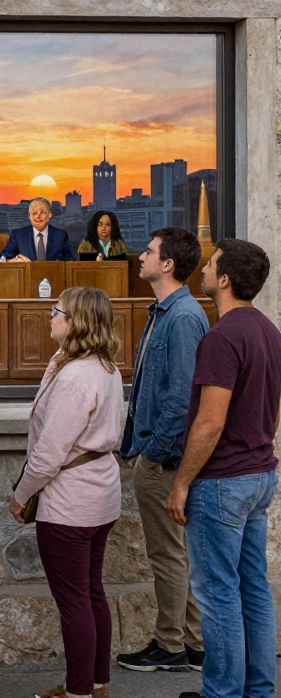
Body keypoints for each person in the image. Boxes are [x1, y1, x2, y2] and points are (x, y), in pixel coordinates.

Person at [167, 240, 281, 698]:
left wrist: (180, 484)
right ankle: (257, 689)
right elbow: (271, 410)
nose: (205, 269)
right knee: (252, 587)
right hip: (259, 473)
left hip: (223, 481)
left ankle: (223, 693)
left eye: (211, 264)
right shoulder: (270, 332)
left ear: (226, 279)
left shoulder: (222, 337)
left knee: (217, 595)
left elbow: (209, 421)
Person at [9, 287, 125, 698]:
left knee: (74, 600)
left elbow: (48, 453)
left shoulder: (77, 377)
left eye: (56, 311)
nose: (49, 316)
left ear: (74, 322)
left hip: (71, 502)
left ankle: (78, 692)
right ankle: (94, 686)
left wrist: (21, 495)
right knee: (91, 592)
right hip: (99, 494)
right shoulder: (100, 367)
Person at [116, 227, 208, 673]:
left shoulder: (184, 317)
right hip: (157, 454)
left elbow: (181, 398)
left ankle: (170, 644)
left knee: (167, 555)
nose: (141, 256)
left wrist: (153, 454)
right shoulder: (163, 311)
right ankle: (193, 644)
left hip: (164, 460)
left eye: (149, 252)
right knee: (175, 553)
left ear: (167, 263)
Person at [0, 197, 74, 262]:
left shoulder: (61, 235)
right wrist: (12, 261)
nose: (38, 216)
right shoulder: (18, 235)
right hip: (26, 277)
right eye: (34, 213)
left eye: (42, 212)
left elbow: (69, 261)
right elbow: (2, 258)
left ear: (49, 215)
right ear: (29, 216)